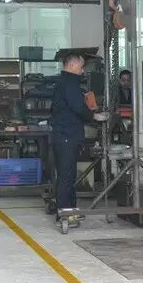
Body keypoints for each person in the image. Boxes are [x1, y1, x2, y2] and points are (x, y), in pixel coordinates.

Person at [50, 53, 108, 222]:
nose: (83, 71)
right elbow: (77, 107)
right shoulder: (69, 84)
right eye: (81, 67)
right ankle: (65, 213)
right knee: (66, 176)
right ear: (73, 65)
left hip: (65, 134)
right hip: (67, 135)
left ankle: (71, 209)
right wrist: (94, 116)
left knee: (67, 175)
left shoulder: (65, 83)